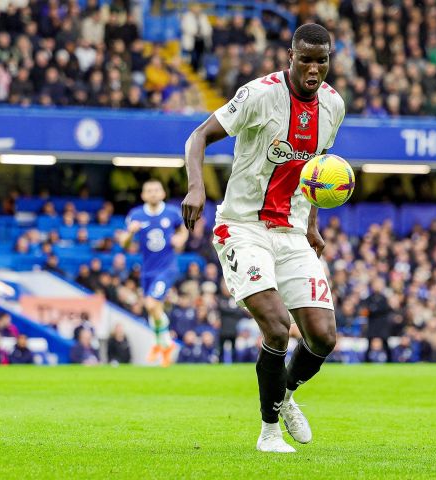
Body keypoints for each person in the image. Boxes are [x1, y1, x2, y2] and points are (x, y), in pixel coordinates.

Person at [181, 24, 345, 452]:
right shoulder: (259, 94)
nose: (313, 69)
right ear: (289, 57)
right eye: (305, 59)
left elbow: (311, 172)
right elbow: (198, 136)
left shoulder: (333, 107)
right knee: (276, 327)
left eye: (321, 60)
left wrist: (311, 226)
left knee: (324, 336)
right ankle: (269, 431)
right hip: (242, 227)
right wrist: (196, 186)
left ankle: (286, 395)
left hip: (292, 230)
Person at [120, 180, 188, 367]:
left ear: (163, 193)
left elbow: (183, 231)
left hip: (167, 268)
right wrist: (130, 234)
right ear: (143, 195)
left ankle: (166, 343)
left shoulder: (172, 213)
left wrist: (179, 239)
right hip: (147, 270)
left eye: (156, 190)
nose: (153, 193)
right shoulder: (136, 215)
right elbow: (124, 244)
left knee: (151, 304)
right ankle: (161, 345)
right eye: (148, 190)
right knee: (152, 308)